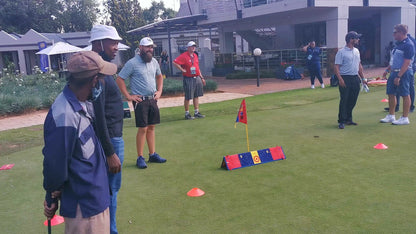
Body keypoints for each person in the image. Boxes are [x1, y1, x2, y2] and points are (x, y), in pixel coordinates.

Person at [42, 51, 117, 233]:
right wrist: (51, 196)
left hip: (94, 199)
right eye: (101, 78)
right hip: (85, 207)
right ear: (93, 81)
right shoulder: (64, 115)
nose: (102, 82)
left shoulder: (82, 103)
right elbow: (55, 165)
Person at [89, 24, 124, 234]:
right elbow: (98, 114)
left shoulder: (104, 68)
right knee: (111, 190)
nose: (116, 47)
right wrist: (110, 152)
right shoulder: (98, 73)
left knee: (110, 189)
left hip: (112, 137)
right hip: (110, 140)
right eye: (113, 42)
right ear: (99, 43)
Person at [116, 37, 166, 169]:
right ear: (141, 48)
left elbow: (159, 76)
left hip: (152, 99)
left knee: (151, 127)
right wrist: (128, 96)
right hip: (140, 101)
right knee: (143, 128)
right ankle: (140, 157)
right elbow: (120, 79)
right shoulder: (132, 63)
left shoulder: (154, 61)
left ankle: (152, 154)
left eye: (152, 47)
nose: (150, 49)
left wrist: (159, 91)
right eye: (148, 47)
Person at [380, 24, 414, 125]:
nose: (393, 34)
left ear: (401, 33)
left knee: (404, 94)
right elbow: (395, 60)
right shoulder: (398, 44)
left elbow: (407, 62)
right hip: (394, 71)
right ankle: (391, 115)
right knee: (391, 93)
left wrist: (399, 76)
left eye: (395, 32)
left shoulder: (408, 45)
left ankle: (405, 117)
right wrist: (387, 69)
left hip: (404, 72)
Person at [334, 31, 366, 129]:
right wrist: (340, 79)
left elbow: (359, 65)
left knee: (353, 99)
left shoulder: (357, 51)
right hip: (345, 77)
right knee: (344, 99)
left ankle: (349, 118)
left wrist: (363, 78)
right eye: (356, 38)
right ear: (351, 39)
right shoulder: (341, 52)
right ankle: (342, 120)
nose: (358, 40)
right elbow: (336, 66)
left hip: (355, 77)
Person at [172, 41, 206, 120]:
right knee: (188, 96)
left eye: (194, 46)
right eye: (192, 46)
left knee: (196, 95)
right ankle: (187, 113)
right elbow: (175, 62)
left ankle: (196, 112)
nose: (193, 47)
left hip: (196, 77)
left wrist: (202, 77)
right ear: (188, 47)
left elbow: (197, 67)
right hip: (188, 78)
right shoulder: (184, 56)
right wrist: (181, 69)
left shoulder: (195, 55)